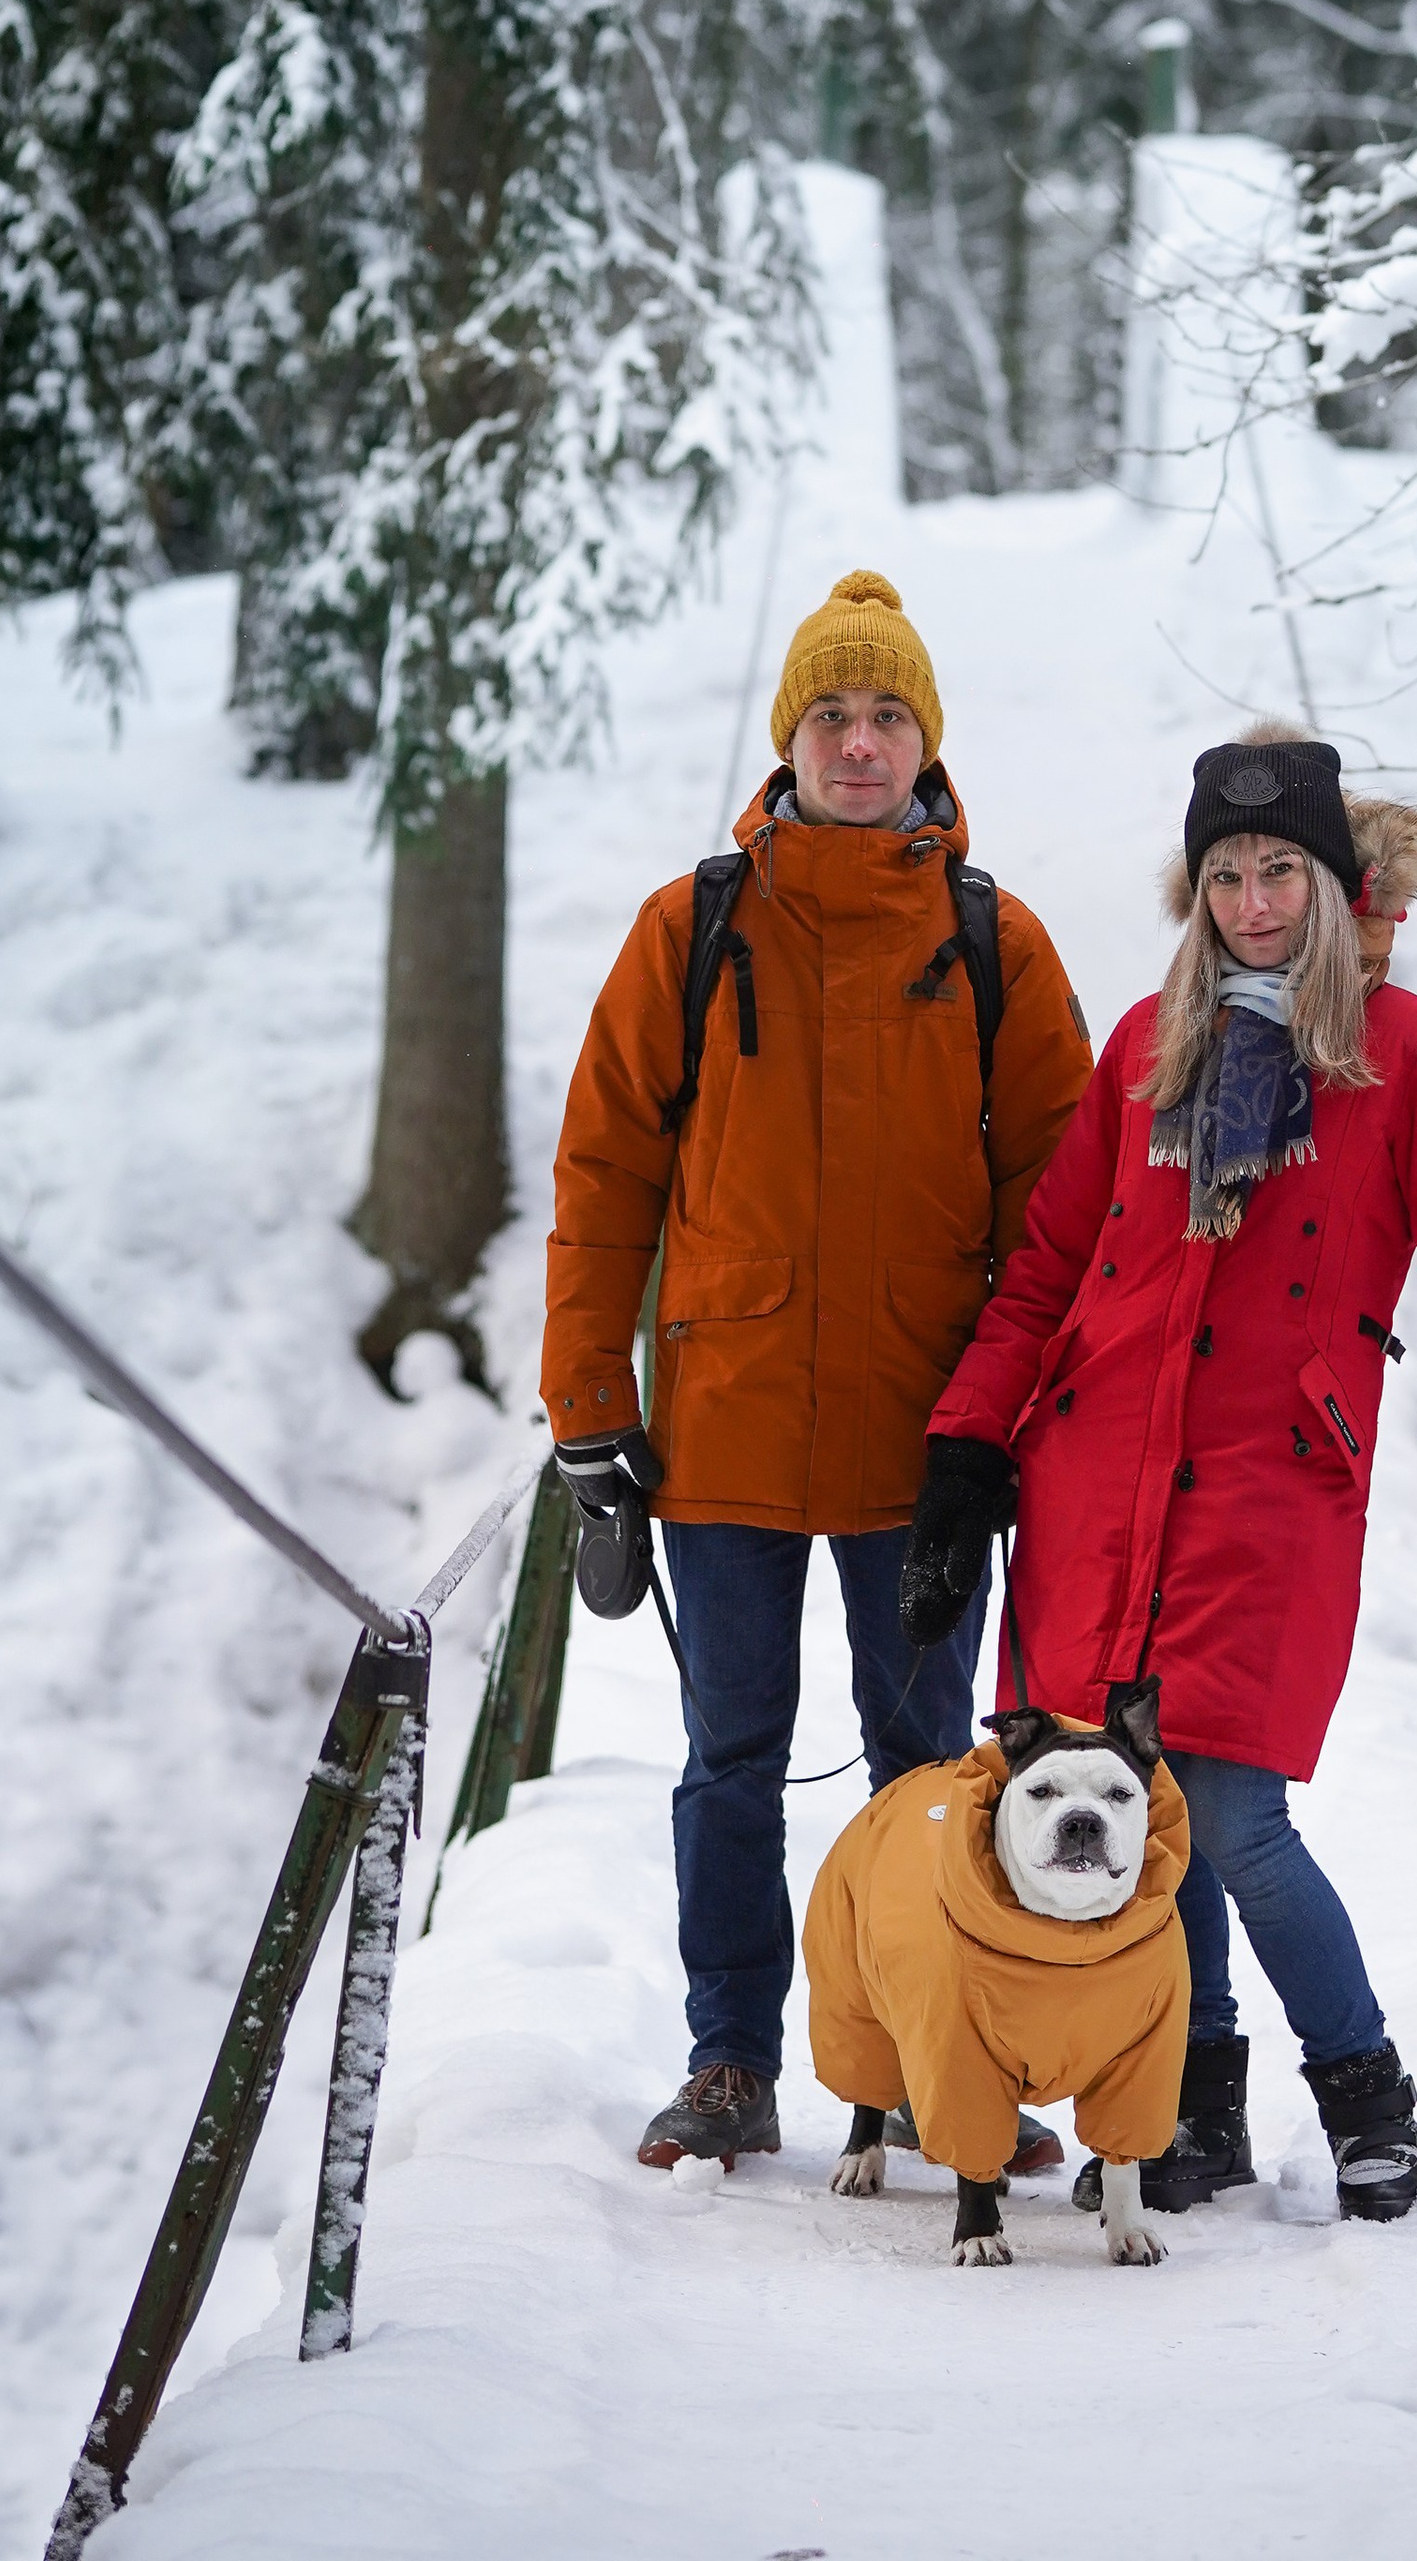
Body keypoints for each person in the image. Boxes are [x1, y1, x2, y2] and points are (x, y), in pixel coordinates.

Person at [902, 726, 1417, 2223]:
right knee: (1138, 1810)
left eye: (1279, 871)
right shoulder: (1141, 1051)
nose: (1252, 902)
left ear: (1332, 879)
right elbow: (1049, 1270)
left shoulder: (1414, 1059)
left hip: (1268, 1495)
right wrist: (968, 1447)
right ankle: (1194, 2106)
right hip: (1091, 1487)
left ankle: (1366, 2093)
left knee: (1233, 1821)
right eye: (1227, 875)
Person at [542, 567, 1093, 2170]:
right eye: (833, 716)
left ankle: (921, 2062)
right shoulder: (695, 923)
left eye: (889, 715)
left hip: (924, 1440)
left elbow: (1058, 1218)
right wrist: (592, 1414)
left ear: (928, 741)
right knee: (731, 1759)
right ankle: (731, 2062)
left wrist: (1016, 1428)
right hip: (720, 1430)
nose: (861, 743)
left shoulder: (997, 941)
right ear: (792, 739)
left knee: (927, 1767)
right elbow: (601, 1179)